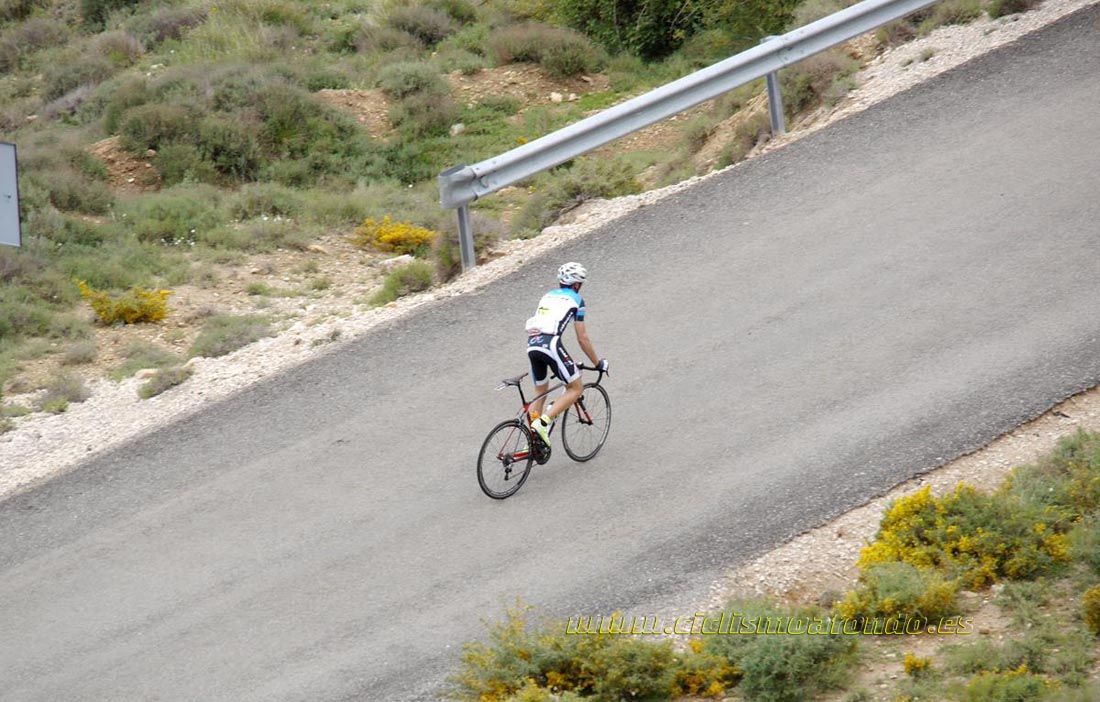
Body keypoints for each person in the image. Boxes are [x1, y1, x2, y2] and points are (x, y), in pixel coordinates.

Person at [525, 262, 608, 445]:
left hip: (532, 344)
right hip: (551, 345)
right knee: (576, 388)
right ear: (577, 284)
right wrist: (597, 363)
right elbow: (582, 338)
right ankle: (542, 423)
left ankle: (531, 442)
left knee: (540, 392)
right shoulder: (578, 301)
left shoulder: (546, 296)